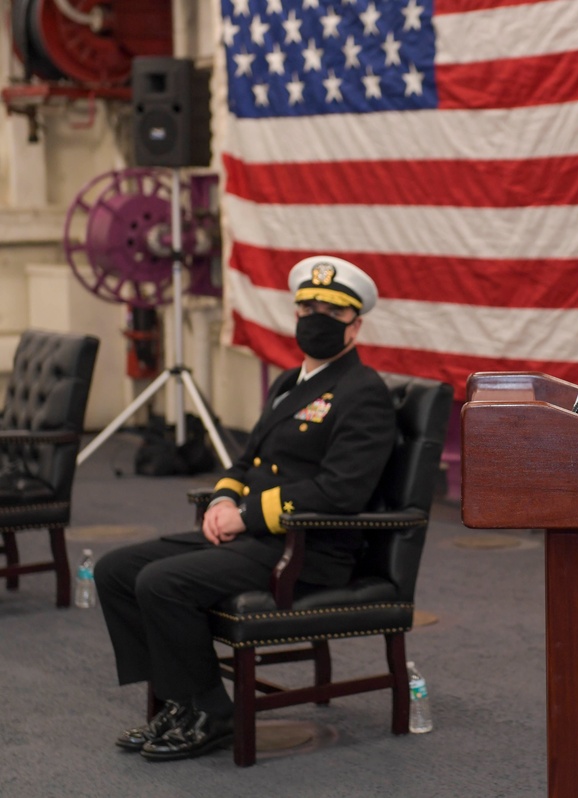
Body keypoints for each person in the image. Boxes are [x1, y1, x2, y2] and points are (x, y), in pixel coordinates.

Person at [94, 255, 396, 761]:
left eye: (331, 310)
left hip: (305, 548)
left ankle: (212, 712)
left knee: (161, 583)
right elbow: (246, 457)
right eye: (307, 307)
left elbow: (341, 491)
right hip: (256, 536)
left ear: (355, 324)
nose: (315, 317)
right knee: (116, 569)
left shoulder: (363, 393)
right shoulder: (287, 383)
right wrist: (224, 496)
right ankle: (181, 702)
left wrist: (248, 515)